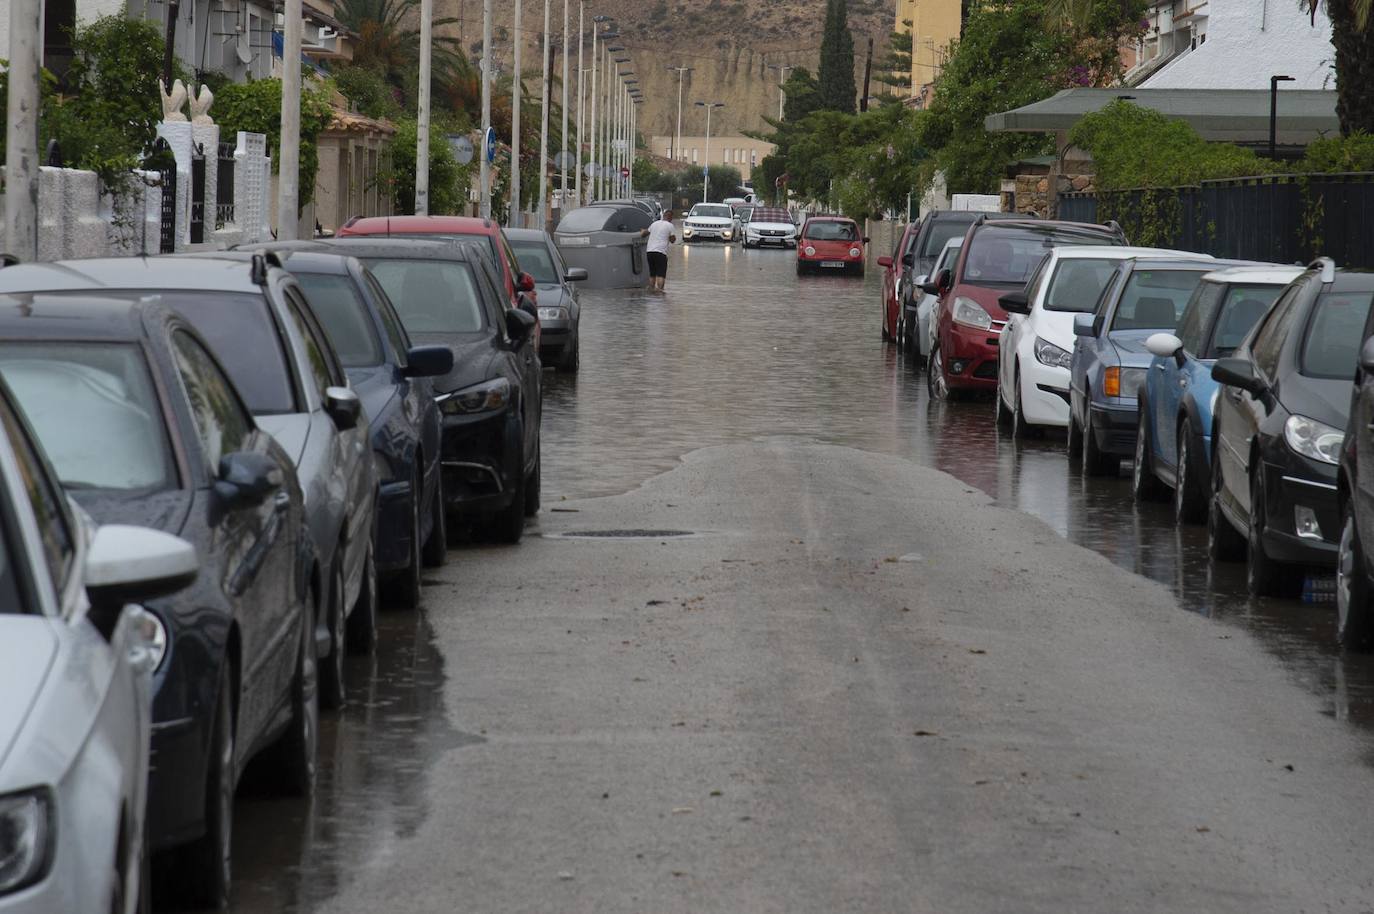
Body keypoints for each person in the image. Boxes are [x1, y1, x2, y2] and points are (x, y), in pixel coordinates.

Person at [642, 211, 676, 292]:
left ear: (663, 216)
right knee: (661, 275)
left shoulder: (654, 223)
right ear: (670, 217)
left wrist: (642, 231)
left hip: (649, 252)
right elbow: (672, 240)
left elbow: (644, 234)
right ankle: (660, 292)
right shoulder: (670, 225)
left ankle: (651, 291)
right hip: (660, 252)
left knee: (652, 274)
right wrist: (672, 237)